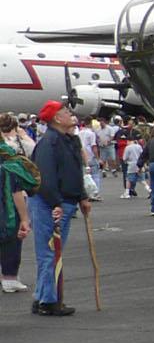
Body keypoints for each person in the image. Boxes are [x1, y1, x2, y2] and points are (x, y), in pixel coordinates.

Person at [28, 100, 91, 316]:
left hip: (64, 200)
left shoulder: (68, 140)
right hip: (51, 202)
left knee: (52, 252)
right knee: (50, 252)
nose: (70, 114)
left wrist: (82, 196)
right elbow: (45, 177)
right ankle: (48, 300)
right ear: (56, 118)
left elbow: (74, 172)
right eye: (65, 112)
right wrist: (56, 203)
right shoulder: (50, 143)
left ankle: (42, 295)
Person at [2, 133, 37, 294]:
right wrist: (25, 218)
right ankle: (9, 278)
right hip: (6, 211)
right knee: (11, 244)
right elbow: (16, 194)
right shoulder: (10, 166)